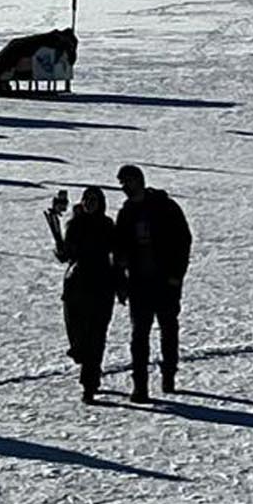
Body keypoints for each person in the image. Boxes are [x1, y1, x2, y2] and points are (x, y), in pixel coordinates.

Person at [112, 164, 192, 401]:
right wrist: (121, 282)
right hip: (139, 283)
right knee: (139, 335)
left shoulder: (165, 206)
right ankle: (140, 385)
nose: (124, 187)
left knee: (168, 330)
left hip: (165, 281)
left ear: (139, 180)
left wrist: (176, 274)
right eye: (122, 183)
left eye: (127, 181)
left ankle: (169, 374)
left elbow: (183, 240)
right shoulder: (126, 212)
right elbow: (118, 249)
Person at [47, 186, 121, 403]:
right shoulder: (75, 224)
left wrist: (120, 283)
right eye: (87, 199)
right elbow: (68, 254)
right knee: (77, 332)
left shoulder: (107, 225)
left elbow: (116, 254)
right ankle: (82, 356)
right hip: (76, 283)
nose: (90, 203)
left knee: (96, 336)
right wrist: (61, 249)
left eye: (94, 200)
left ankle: (90, 383)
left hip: (101, 284)